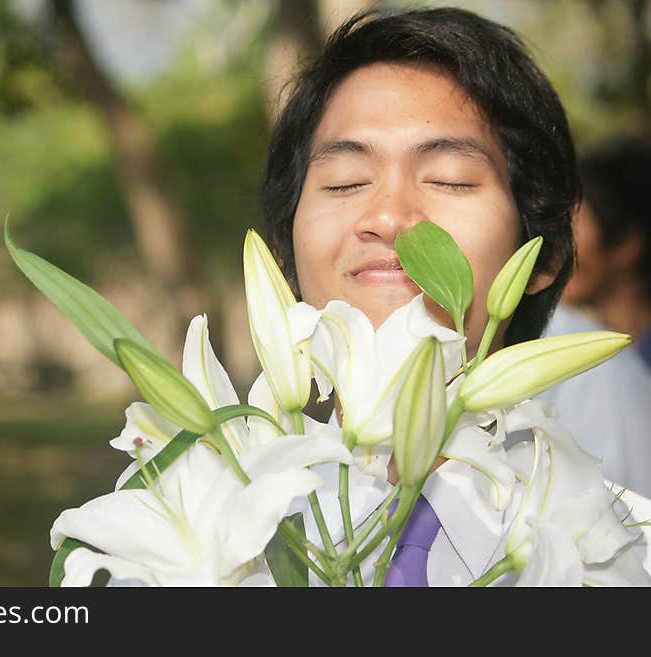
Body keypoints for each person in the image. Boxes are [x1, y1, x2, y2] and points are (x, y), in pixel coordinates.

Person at [260, 7, 646, 585]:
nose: (388, 218)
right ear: (283, 255)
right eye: (343, 182)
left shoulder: (623, 555)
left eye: (449, 179)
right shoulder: (211, 544)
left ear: (541, 255)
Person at [535, 137, 651, 497]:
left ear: (628, 246)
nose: (556, 244)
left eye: (574, 225)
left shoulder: (618, 369)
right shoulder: (571, 344)